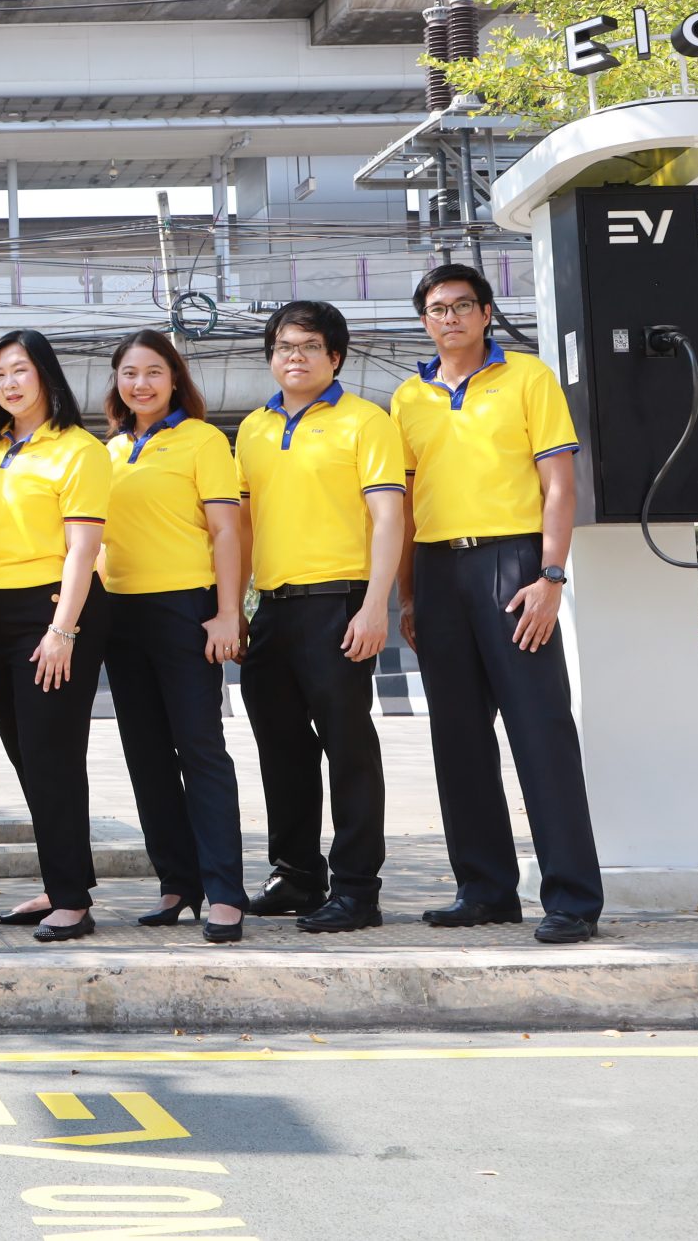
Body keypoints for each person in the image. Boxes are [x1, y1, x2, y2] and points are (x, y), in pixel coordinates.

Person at [391, 264, 604, 944]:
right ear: (424, 320)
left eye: (460, 305)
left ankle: (572, 897)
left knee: (540, 730)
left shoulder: (528, 378)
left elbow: (559, 488)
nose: (448, 317)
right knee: (457, 736)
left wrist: (550, 575)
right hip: (436, 569)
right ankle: (484, 889)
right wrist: (406, 594)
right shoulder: (407, 398)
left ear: (486, 313)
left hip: (514, 563)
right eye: (435, 308)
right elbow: (403, 499)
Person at [234, 299, 407, 934]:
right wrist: (237, 608)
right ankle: (297, 875)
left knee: (349, 749)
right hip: (272, 610)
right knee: (281, 749)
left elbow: (390, 517)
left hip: (340, 603)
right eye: (283, 347)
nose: (295, 357)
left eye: (308, 346)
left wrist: (374, 606)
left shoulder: (367, 421)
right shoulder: (253, 428)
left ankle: (358, 888)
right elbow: (243, 528)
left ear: (335, 356)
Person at [0, 329, 111, 943]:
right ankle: (57, 884)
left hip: (52, 610)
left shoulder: (78, 449)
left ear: (47, 375)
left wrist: (62, 631)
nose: (10, 383)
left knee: (53, 758)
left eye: (21, 370)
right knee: (28, 759)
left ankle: (74, 900)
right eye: (0, 375)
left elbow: (83, 549)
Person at [97, 329, 249, 944]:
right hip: (120, 615)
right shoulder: (106, 451)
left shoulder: (204, 440)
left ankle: (225, 892)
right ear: (117, 382)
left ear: (174, 378)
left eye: (153, 372)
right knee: (147, 757)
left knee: (200, 750)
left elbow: (227, 533)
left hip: (185, 610)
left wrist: (227, 611)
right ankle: (177, 882)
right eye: (129, 373)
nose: (141, 384)